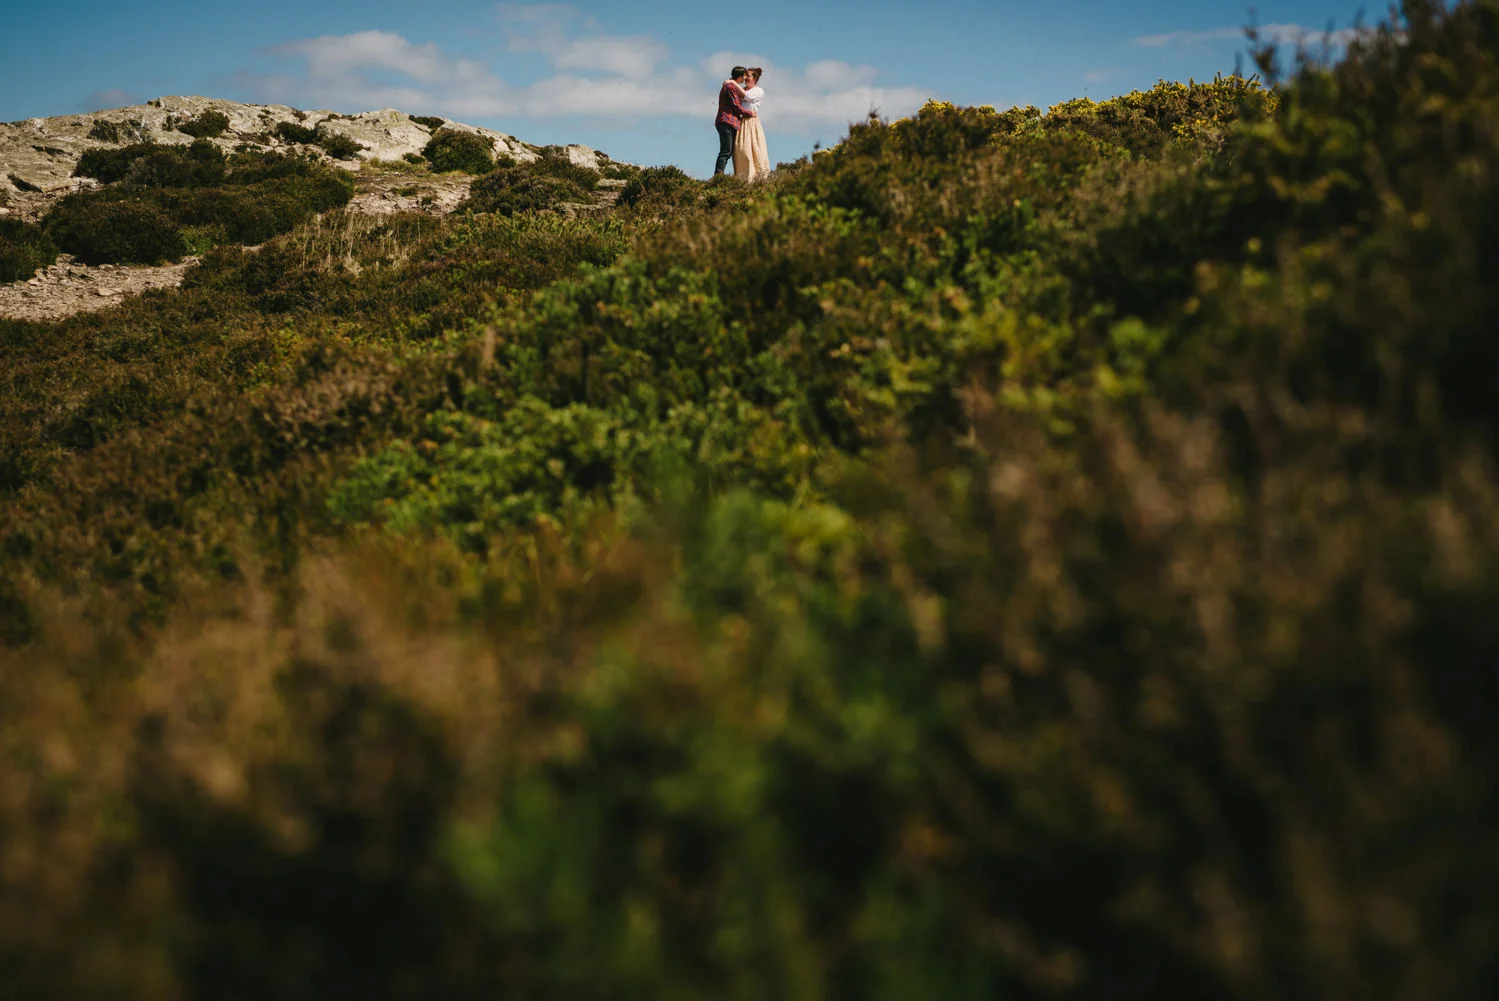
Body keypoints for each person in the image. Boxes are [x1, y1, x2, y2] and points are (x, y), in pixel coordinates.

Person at [714, 66, 756, 176]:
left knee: (728, 151)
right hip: (727, 121)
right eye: (744, 76)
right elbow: (736, 106)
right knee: (726, 151)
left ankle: (721, 175)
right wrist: (750, 113)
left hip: (728, 122)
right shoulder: (730, 87)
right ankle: (718, 175)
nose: (745, 79)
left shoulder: (732, 87)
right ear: (740, 76)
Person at [732, 67, 771, 182]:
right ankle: (743, 178)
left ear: (755, 78)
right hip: (742, 122)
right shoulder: (741, 89)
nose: (745, 78)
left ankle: (758, 178)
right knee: (742, 149)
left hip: (752, 122)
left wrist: (733, 83)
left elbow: (747, 96)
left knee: (755, 149)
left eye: (748, 76)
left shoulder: (758, 91)